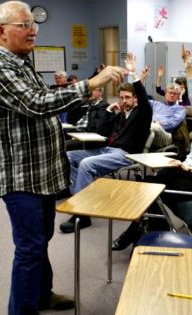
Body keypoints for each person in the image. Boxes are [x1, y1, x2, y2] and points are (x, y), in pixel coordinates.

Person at [0, 1, 126, 313]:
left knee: (39, 240)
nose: (34, 32)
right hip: (20, 177)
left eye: (35, 25)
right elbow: (35, 103)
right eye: (25, 25)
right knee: (30, 248)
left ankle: (42, 294)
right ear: (2, 32)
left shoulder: (19, 61)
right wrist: (90, 84)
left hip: (40, 173)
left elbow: (42, 102)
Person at [111, 53, 192, 250]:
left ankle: (136, 234)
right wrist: (188, 67)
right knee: (148, 184)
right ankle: (147, 232)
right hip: (183, 169)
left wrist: (190, 168)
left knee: (155, 191)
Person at [59, 53, 153, 233]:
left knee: (86, 164)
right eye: (122, 98)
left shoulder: (142, 114)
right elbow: (101, 133)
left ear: (135, 99)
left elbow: (141, 95)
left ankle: (81, 215)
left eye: (128, 98)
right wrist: (109, 111)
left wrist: (134, 75)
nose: (124, 101)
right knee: (69, 156)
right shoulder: (118, 113)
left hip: (125, 154)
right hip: (106, 149)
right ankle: (82, 198)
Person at [149, 82, 186, 148]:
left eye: (175, 94)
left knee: (155, 127)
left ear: (178, 96)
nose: (172, 95)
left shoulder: (180, 109)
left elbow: (172, 124)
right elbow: (141, 99)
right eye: (170, 93)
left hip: (166, 135)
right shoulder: (155, 104)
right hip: (151, 129)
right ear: (165, 94)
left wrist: (159, 124)